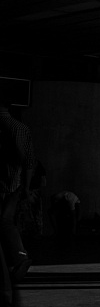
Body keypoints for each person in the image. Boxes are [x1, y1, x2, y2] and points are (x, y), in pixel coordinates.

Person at [1, 103, 34, 306]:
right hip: (14, 184)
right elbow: (30, 162)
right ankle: (19, 256)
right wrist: (27, 187)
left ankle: (17, 258)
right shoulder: (22, 128)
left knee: (2, 222)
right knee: (5, 220)